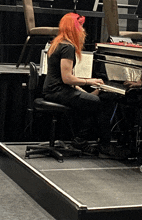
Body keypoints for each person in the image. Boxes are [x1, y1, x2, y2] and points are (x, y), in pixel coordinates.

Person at [43, 12, 129, 159]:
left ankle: (81, 140)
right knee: (101, 104)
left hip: (54, 90)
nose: (83, 30)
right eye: (81, 26)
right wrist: (90, 81)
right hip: (58, 91)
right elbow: (67, 79)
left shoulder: (57, 43)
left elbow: (65, 79)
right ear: (72, 28)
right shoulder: (67, 47)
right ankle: (104, 146)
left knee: (92, 101)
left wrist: (85, 91)